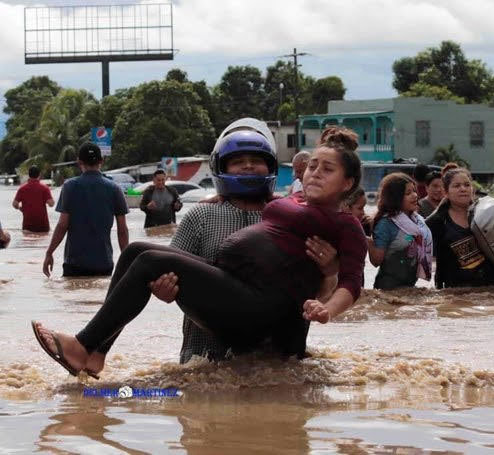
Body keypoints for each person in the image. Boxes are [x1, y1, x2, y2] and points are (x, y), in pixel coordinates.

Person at [31, 127, 368, 378]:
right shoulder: (230, 210)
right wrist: (162, 288)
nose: (314, 173)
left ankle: (81, 345)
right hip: (228, 298)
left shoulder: (344, 224)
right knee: (136, 251)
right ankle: (96, 351)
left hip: (258, 312)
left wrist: (328, 298)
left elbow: (352, 284)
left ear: (348, 182)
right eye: (312, 166)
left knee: (149, 260)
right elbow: (173, 277)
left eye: (328, 169)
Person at [153, 121, 340, 364]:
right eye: (238, 160)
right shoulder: (200, 216)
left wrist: (330, 271)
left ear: (270, 166)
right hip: (204, 358)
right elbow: (167, 273)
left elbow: (321, 295)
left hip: (279, 362)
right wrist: (164, 291)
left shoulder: (298, 219)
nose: (249, 165)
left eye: (257, 160)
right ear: (221, 167)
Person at [43, 142, 129, 278]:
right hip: (104, 262)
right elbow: (122, 230)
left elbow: (62, 225)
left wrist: (49, 253)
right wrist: (127, 261)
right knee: (99, 297)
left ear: (79, 162)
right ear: (101, 161)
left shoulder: (69, 187)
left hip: (75, 263)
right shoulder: (114, 189)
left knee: (76, 297)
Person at [426, 168, 494, 289]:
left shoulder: (486, 211)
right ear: (446, 192)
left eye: (467, 185)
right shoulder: (437, 221)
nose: (463, 189)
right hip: (456, 292)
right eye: (457, 186)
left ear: (472, 189)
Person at [368, 173, 432, 290]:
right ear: (395, 198)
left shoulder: (418, 221)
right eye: (408, 193)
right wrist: (368, 241)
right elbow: (376, 261)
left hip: (410, 286)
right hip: (387, 289)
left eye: (414, 191)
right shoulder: (386, 224)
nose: (414, 196)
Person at [12, 165, 54, 232]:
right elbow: (51, 204)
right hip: (42, 224)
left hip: (27, 225)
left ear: (29, 175)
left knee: (28, 240)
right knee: (44, 241)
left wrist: (20, 208)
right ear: (39, 174)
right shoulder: (44, 188)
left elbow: (14, 204)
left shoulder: (22, 188)